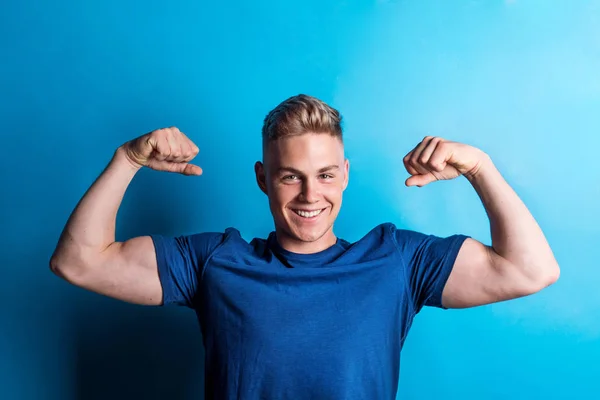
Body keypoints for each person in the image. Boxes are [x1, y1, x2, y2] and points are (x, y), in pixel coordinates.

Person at [50, 94, 559, 399]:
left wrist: (480, 168)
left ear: (345, 177)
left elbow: (529, 271)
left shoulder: (397, 261)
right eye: (291, 176)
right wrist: (126, 160)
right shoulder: (215, 262)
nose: (311, 195)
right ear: (263, 179)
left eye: (326, 175)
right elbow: (80, 262)